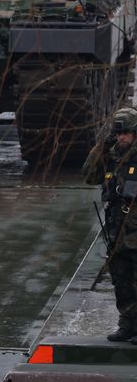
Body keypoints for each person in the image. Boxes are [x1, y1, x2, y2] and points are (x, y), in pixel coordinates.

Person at [83, 106, 137, 343]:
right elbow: (89, 175)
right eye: (117, 134)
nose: (121, 138)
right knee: (122, 281)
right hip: (117, 233)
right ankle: (129, 325)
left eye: (125, 133)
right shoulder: (112, 156)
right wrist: (102, 146)